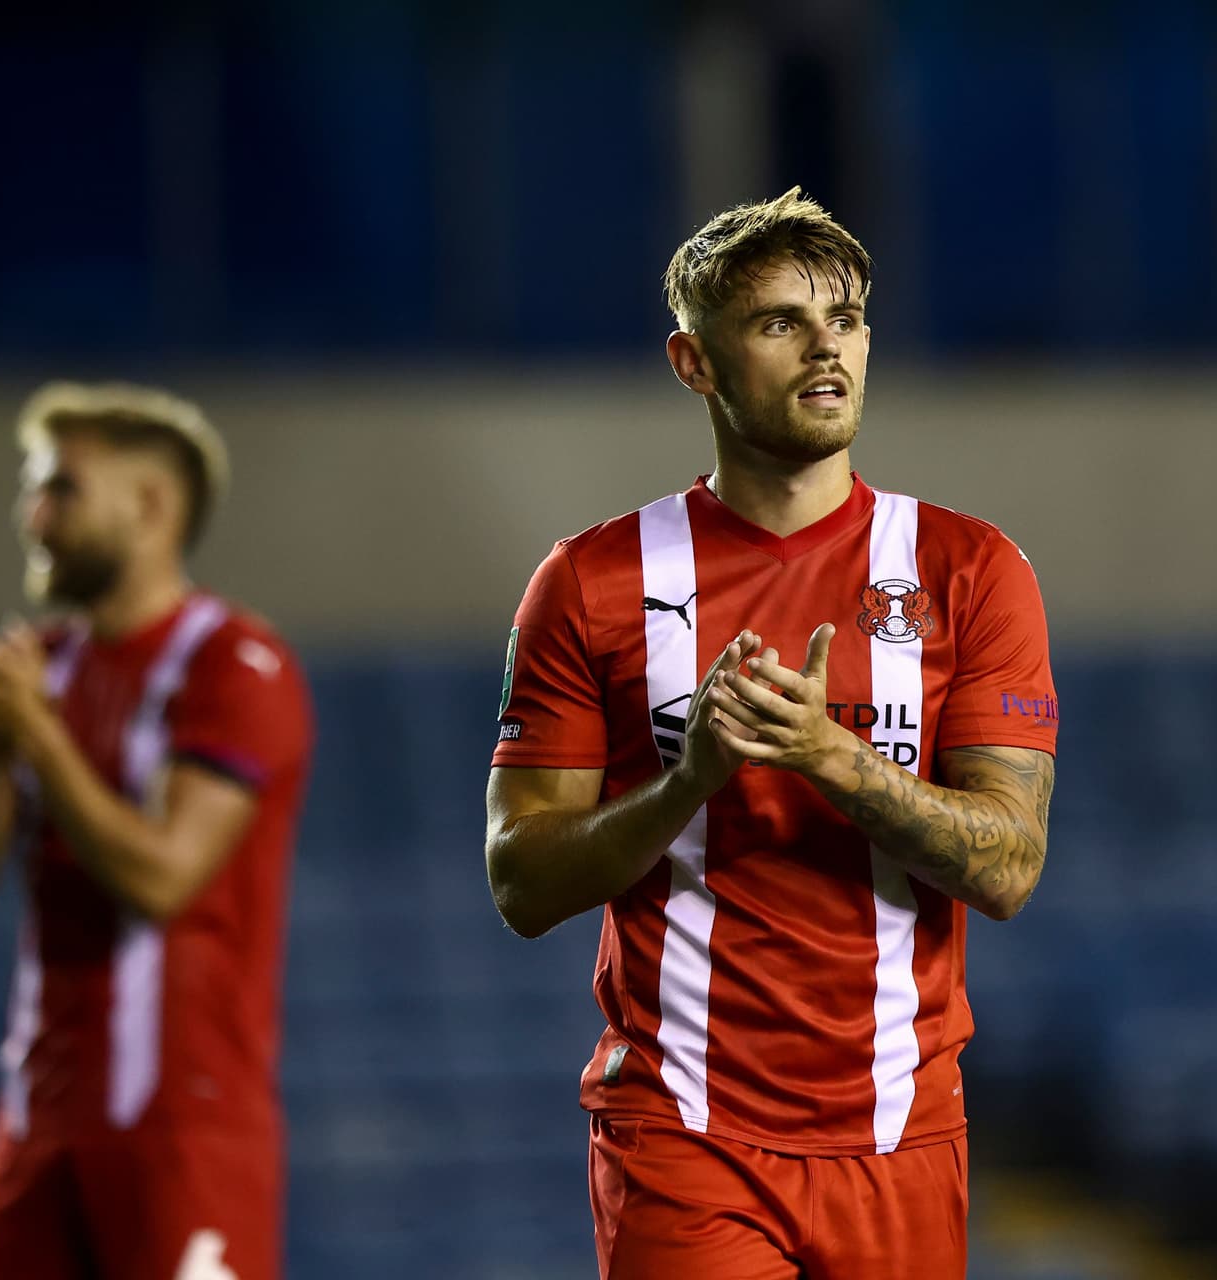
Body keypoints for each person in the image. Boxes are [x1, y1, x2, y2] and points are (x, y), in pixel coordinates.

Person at [482, 188, 1058, 1280]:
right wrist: (684, 780)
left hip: (901, 1130)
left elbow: (1011, 863)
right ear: (693, 362)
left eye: (843, 318)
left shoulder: (970, 569)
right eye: (779, 322)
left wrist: (831, 758)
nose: (824, 347)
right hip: (682, 1130)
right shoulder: (595, 579)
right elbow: (521, 882)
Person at [0, 383, 313, 1280]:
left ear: (150, 505)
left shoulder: (234, 665)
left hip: (184, 1134)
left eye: (60, 490)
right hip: (34, 1124)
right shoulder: (44, 670)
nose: (33, 517)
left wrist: (39, 735)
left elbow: (164, 879)